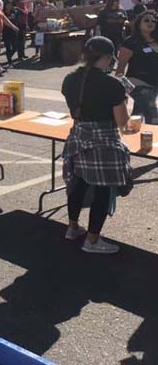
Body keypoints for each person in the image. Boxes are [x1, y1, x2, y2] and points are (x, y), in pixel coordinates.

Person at [61, 36, 130, 254]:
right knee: (101, 189)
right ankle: (92, 241)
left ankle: (72, 228)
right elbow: (122, 123)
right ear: (109, 58)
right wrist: (124, 98)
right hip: (103, 142)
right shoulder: (112, 85)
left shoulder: (70, 79)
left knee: (79, 182)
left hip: (79, 135)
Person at [117, 10, 158, 124]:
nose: (150, 23)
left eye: (153, 21)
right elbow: (120, 70)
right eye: (146, 20)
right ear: (139, 23)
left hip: (154, 85)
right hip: (136, 83)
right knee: (153, 113)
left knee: (138, 114)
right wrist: (124, 90)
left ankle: (132, 134)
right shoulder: (131, 42)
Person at [2, 0, 26, 65]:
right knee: (8, 47)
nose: (9, 6)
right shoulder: (2, 12)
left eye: (10, 5)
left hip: (13, 31)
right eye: (8, 5)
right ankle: (9, 61)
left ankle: (9, 56)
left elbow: (24, 13)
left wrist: (18, 8)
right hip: (5, 31)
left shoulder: (15, 11)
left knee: (15, 46)